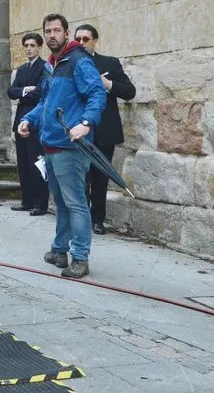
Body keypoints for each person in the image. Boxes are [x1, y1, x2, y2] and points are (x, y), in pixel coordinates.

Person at [17, 14, 106, 279]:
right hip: (52, 144)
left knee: (76, 202)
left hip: (71, 145)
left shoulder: (79, 61)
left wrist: (87, 122)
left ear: (66, 33)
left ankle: (80, 257)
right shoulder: (54, 64)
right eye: (48, 31)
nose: (52, 34)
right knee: (62, 202)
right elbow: (46, 102)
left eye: (57, 30)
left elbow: (97, 93)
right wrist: (28, 120)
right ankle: (59, 250)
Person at [73, 24, 136, 235]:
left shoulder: (109, 63)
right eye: (78, 39)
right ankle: (79, 220)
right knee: (79, 178)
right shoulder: (69, 64)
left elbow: (129, 91)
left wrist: (106, 83)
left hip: (103, 129)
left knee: (100, 178)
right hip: (78, 129)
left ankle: (97, 219)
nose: (81, 43)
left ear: (95, 41)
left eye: (86, 39)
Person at [7, 33, 50, 216]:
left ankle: (41, 204)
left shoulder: (45, 67)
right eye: (26, 45)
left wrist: (24, 92)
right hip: (20, 120)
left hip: (37, 121)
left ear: (39, 47)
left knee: (37, 162)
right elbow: (11, 91)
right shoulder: (22, 69)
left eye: (32, 45)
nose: (29, 48)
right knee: (23, 163)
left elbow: (43, 92)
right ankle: (27, 200)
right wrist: (26, 89)